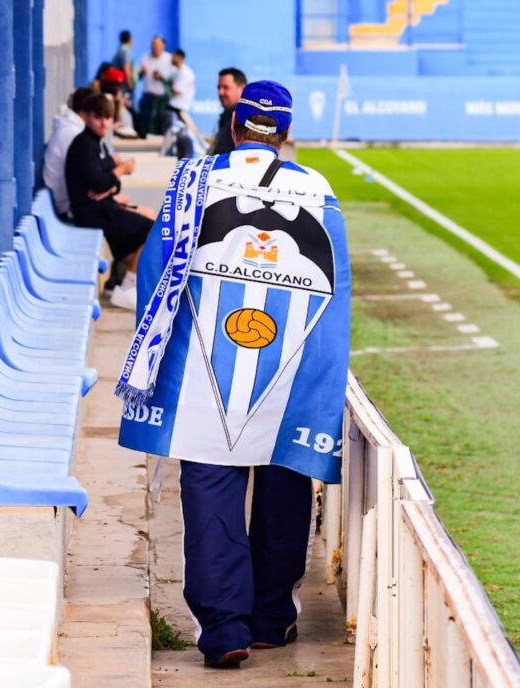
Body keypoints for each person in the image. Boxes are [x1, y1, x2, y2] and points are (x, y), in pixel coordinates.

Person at [115, 81, 351, 669]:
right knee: (284, 492)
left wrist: (157, 368)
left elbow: (154, 273)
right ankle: (272, 618)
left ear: (235, 124)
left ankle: (224, 630)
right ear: (287, 133)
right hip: (289, 373)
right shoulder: (317, 191)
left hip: (203, 373)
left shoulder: (194, 181)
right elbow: (335, 292)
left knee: (211, 500)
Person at [65, 93, 155, 309]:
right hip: (91, 213)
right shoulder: (84, 144)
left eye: (108, 118)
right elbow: (98, 183)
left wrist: (109, 185)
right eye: (98, 117)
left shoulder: (95, 143)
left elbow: (107, 183)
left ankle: (122, 282)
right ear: (87, 117)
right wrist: (121, 170)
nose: (104, 123)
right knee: (153, 229)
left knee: (146, 220)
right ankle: (127, 287)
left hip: (101, 208)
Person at [42, 87, 95, 216]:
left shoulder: (69, 128)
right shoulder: (73, 133)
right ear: (87, 112)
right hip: (65, 206)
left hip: (61, 201)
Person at [136, 35, 171, 137]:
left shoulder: (169, 59)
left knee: (161, 127)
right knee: (145, 125)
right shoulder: (145, 58)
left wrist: (161, 77)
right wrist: (141, 72)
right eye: (152, 44)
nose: (154, 47)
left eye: (156, 44)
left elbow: (172, 80)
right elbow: (137, 78)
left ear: (163, 46)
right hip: (148, 97)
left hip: (162, 99)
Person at [207, 67, 246, 155]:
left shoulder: (245, 120)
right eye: (219, 88)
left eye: (226, 87)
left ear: (242, 89)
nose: (220, 92)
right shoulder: (226, 117)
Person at [165, 49, 197, 158]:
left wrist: (167, 86)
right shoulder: (177, 71)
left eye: (173, 56)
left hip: (179, 111)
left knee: (182, 141)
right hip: (176, 109)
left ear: (179, 58)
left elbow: (176, 91)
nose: (171, 58)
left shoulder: (185, 73)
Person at [112, 29, 134, 94]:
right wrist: (130, 84)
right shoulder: (125, 51)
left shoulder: (119, 49)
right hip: (124, 86)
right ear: (130, 40)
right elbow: (126, 67)